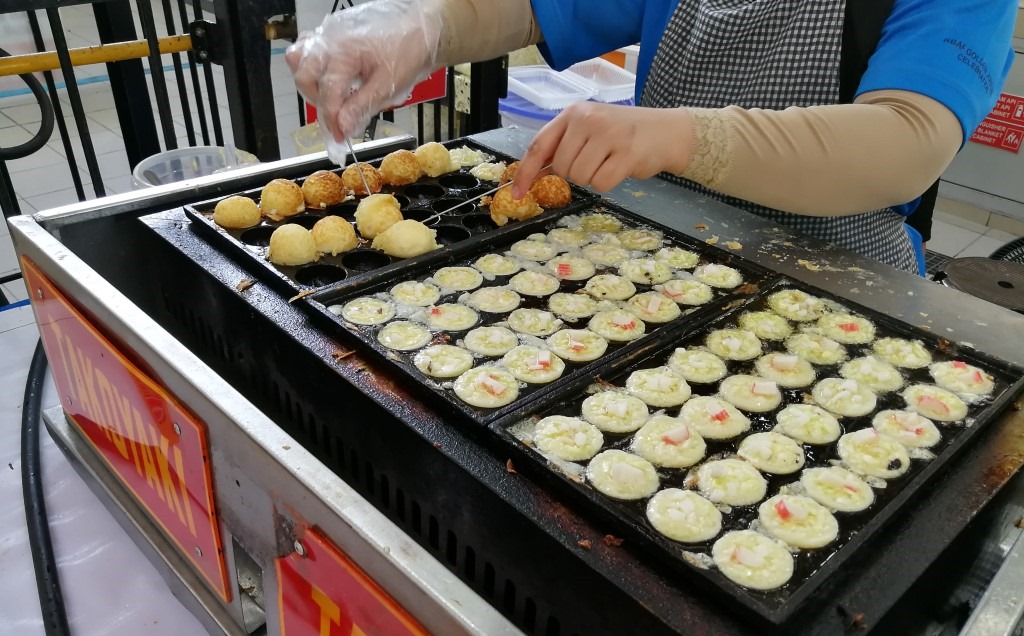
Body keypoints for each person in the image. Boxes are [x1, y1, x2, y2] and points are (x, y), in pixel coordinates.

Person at [287, 0, 1017, 273]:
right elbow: (536, 4)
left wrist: (684, 139)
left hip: (837, 272)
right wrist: (423, 25)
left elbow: (909, 138)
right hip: (654, 250)